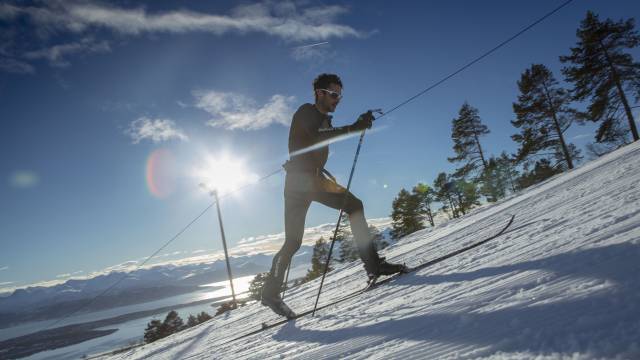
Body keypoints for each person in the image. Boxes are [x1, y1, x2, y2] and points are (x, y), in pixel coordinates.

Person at [261, 73, 407, 318]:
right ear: (319, 92)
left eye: (340, 95)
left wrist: (357, 125)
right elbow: (318, 136)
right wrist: (354, 127)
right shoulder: (306, 112)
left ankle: (270, 293)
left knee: (294, 241)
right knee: (352, 207)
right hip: (305, 181)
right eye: (334, 94)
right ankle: (374, 266)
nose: (338, 99)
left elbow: (324, 134)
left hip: (304, 181)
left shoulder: (324, 120)